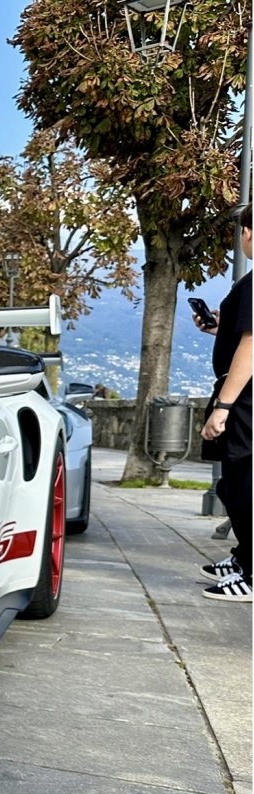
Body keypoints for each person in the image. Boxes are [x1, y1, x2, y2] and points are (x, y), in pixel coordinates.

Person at [196, 203, 252, 602]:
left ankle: (251, 574)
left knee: (243, 484)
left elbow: (252, 344)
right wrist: (218, 329)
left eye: (244, 231)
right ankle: (244, 559)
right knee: (233, 483)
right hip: (243, 399)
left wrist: (224, 406)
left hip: (246, 401)